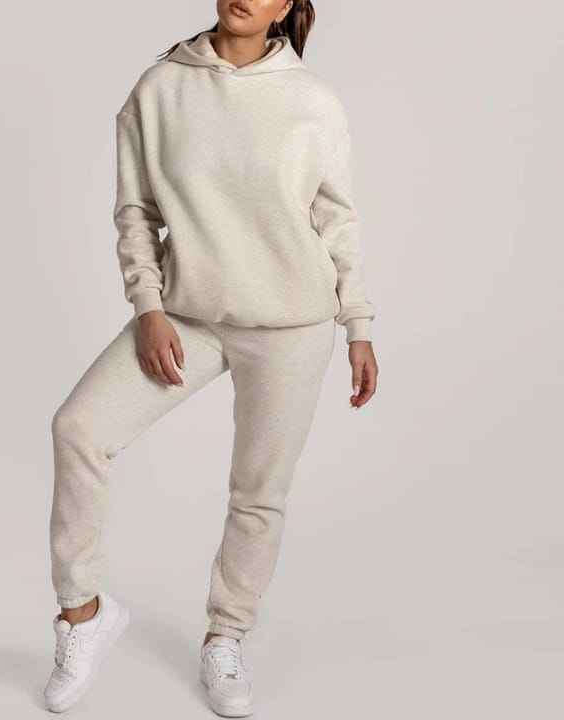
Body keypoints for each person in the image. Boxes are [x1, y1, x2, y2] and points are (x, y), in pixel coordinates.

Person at [44, 1, 379, 715]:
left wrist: (357, 324)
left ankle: (225, 636)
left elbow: (336, 217)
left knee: (258, 490)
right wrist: (149, 308)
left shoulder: (311, 100)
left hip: (292, 323)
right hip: (188, 316)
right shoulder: (160, 87)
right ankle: (82, 614)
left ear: (287, 6)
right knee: (79, 430)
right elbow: (135, 210)